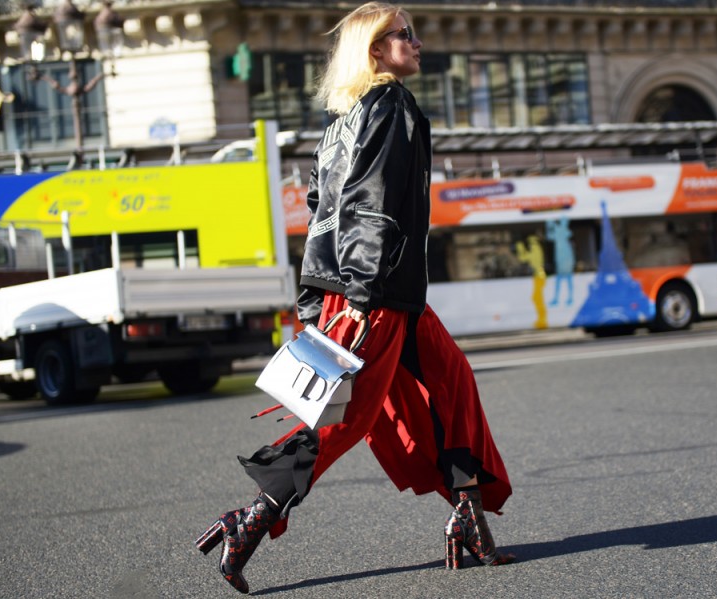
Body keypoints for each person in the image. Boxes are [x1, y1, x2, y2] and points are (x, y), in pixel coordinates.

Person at [195, 3, 515, 593]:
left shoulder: (345, 116)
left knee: (452, 378)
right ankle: (250, 520)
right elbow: (371, 203)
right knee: (346, 415)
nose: (417, 43)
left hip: (375, 288)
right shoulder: (390, 107)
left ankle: (467, 512)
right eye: (405, 35)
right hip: (375, 289)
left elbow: (320, 210)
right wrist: (362, 291)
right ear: (375, 49)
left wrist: (316, 293)